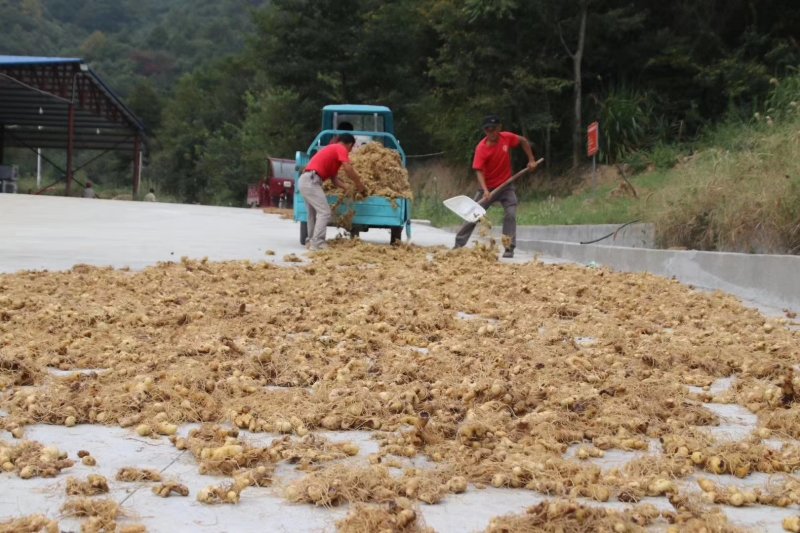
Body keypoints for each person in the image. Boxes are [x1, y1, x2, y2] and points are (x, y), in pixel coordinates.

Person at [453, 115, 538, 258]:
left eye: (493, 129)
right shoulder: (481, 148)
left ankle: (509, 247)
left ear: (499, 128)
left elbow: (523, 141)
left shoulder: (506, 138)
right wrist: (486, 190)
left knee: (510, 214)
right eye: (487, 130)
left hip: (506, 186)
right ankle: (458, 244)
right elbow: (478, 171)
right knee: (474, 214)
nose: (490, 133)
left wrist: (531, 159)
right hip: (487, 187)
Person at [298, 133, 367, 250]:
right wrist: (359, 184)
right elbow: (348, 168)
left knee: (313, 214)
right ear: (349, 144)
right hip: (311, 180)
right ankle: (318, 242)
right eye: (351, 149)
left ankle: (311, 241)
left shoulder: (332, 152)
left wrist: (347, 188)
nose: (349, 152)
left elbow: (334, 180)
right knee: (324, 212)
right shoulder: (340, 148)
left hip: (306, 180)